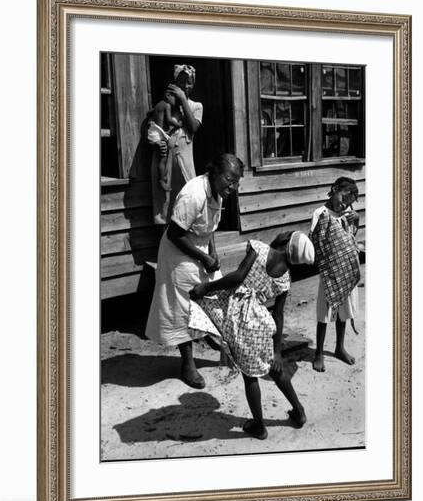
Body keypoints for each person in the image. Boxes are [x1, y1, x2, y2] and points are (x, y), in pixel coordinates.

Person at [188, 231, 315, 440]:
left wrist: (206, 287)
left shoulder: (260, 249)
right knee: (274, 368)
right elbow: (278, 314)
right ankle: (299, 411)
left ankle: (259, 425)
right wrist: (277, 351)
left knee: (249, 376)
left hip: (239, 318)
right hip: (262, 324)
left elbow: (237, 277)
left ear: (286, 241)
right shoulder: (285, 279)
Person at [145, 153, 244, 389]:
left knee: (215, 296)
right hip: (178, 254)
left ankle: (218, 342)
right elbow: (174, 234)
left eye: (237, 181)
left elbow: (209, 228)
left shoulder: (218, 192)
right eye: (230, 180)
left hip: (200, 249)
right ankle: (187, 365)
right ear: (215, 174)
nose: (234, 186)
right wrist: (203, 257)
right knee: (183, 308)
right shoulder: (194, 194)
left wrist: (213, 252)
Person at [309, 177, 360, 373]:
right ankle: (319, 353)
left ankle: (339, 347)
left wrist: (357, 219)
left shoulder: (347, 213)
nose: (344, 204)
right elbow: (316, 240)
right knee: (325, 311)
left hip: (346, 270)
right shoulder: (320, 213)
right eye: (343, 198)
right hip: (330, 272)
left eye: (349, 202)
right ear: (334, 189)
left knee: (344, 311)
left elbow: (351, 236)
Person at [150, 64, 203, 225]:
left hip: (184, 159)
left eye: (188, 82)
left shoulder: (195, 106)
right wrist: (157, 144)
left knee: (191, 196)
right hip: (165, 159)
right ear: (173, 84)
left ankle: (196, 240)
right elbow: (153, 128)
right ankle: (165, 241)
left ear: (193, 85)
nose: (184, 86)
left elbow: (193, 127)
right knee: (164, 200)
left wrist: (182, 99)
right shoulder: (165, 105)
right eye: (180, 83)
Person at [147, 87, 183, 191]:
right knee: (162, 159)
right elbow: (169, 120)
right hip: (158, 134)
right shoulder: (167, 105)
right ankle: (162, 180)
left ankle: (164, 176)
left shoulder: (158, 104)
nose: (175, 102)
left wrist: (152, 120)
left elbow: (149, 113)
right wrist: (178, 124)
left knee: (161, 157)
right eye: (175, 99)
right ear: (168, 96)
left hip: (153, 131)